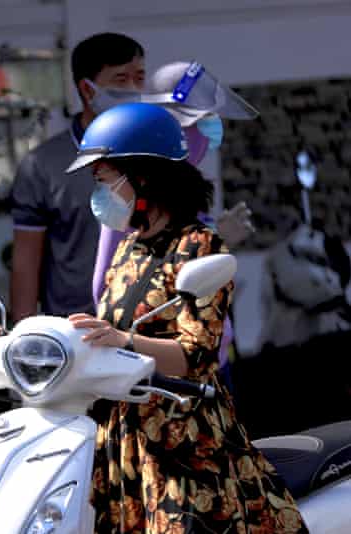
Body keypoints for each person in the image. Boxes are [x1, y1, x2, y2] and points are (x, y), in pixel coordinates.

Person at [65, 102, 308, 533]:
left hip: (184, 443)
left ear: (140, 177)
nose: (98, 195)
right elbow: (105, 330)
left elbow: (194, 355)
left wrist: (123, 341)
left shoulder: (199, 246)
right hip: (127, 440)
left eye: (103, 181)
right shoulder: (127, 248)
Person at [89, 60, 259, 392]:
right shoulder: (130, 198)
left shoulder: (186, 190)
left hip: (205, 364)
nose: (210, 130)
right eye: (203, 121)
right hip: (163, 376)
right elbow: (107, 291)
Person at [9, 32, 146, 323]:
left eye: (140, 77)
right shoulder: (44, 165)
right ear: (88, 89)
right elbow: (25, 262)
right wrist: (23, 340)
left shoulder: (158, 152)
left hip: (150, 328)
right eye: (121, 80)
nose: (135, 89)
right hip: (77, 333)